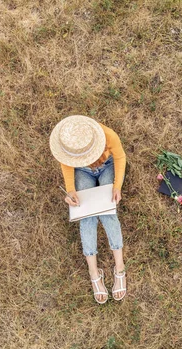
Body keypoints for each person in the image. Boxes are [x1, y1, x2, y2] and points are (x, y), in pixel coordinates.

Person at [49, 115, 127, 304]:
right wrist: (70, 191)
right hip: (82, 171)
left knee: (108, 212)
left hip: (107, 166)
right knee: (86, 215)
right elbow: (67, 165)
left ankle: (120, 266)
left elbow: (120, 157)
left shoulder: (108, 135)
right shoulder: (69, 145)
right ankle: (94, 271)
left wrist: (117, 186)